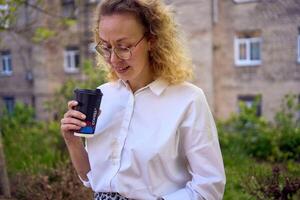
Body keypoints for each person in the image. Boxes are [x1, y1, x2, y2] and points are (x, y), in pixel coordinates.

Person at [60, 0, 226, 199]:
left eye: (123, 47)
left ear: (151, 40)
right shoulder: (102, 96)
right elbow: (93, 179)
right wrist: (72, 142)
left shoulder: (188, 100)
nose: (113, 59)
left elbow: (209, 186)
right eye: (106, 47)